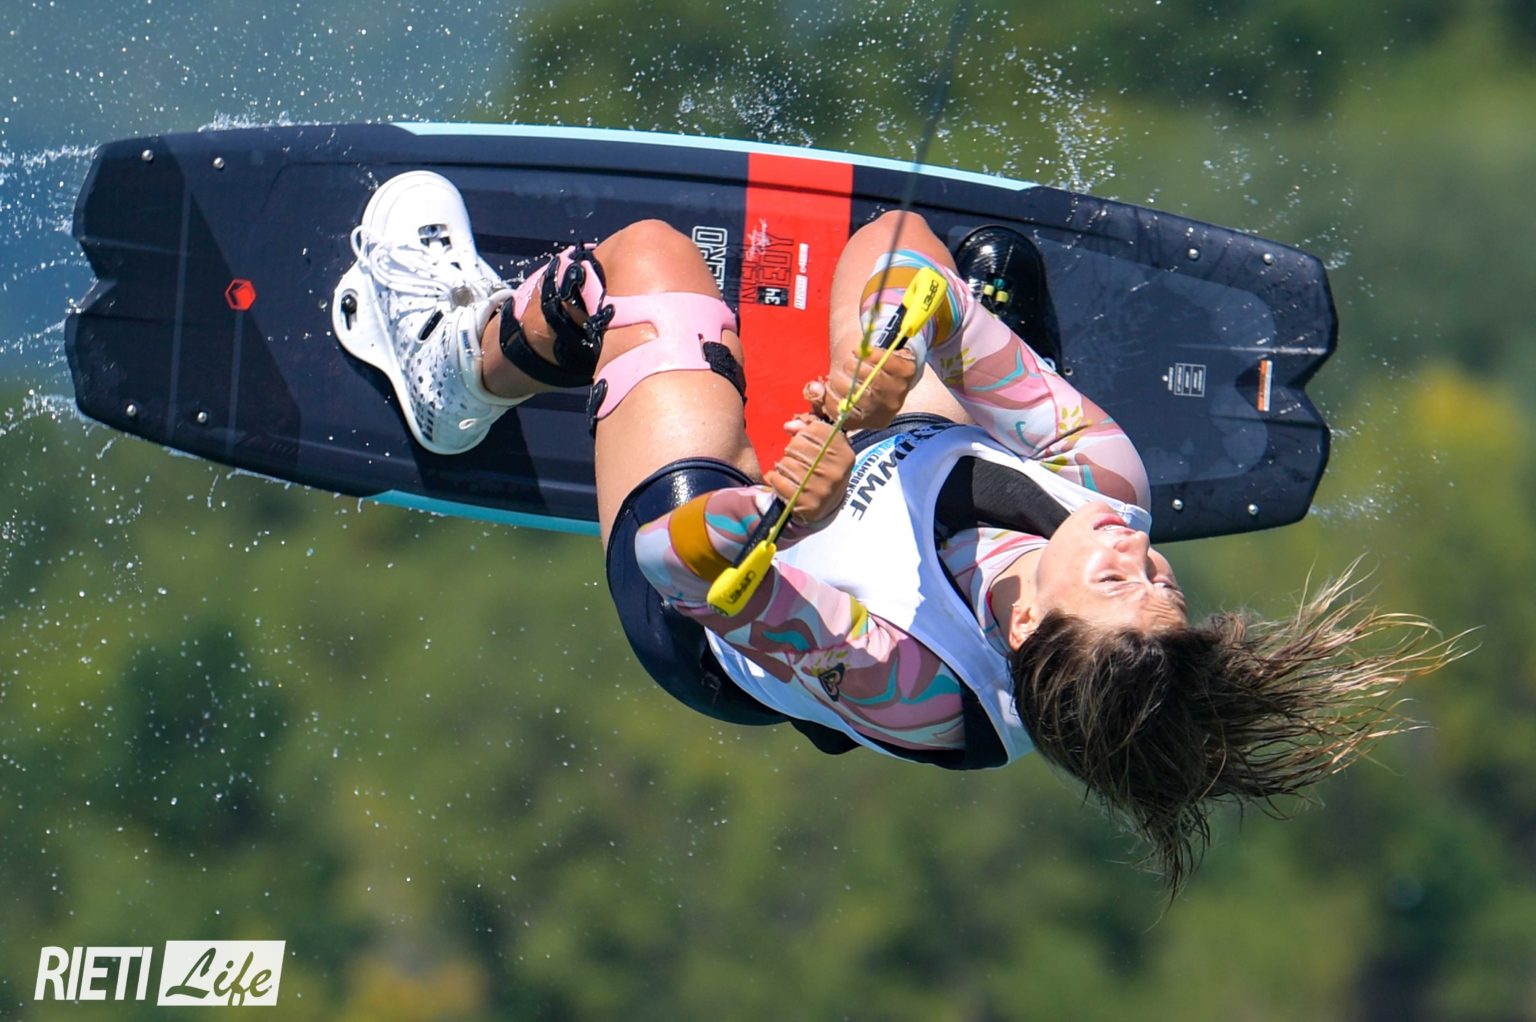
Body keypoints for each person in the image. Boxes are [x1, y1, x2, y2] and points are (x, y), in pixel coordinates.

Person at [338, 170, 1457, 894]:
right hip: (893, 472)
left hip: (718, 621)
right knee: (956, 262)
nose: (1144, 557)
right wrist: (881, 349)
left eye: (1120, 586)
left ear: (1030, 629)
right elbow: (904, 252)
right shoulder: (1106, 489)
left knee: (647, 263)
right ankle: (892, 398)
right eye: (1166, 586)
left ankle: (451, 370)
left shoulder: (921, 692)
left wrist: (777, 514)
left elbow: (670, 559)